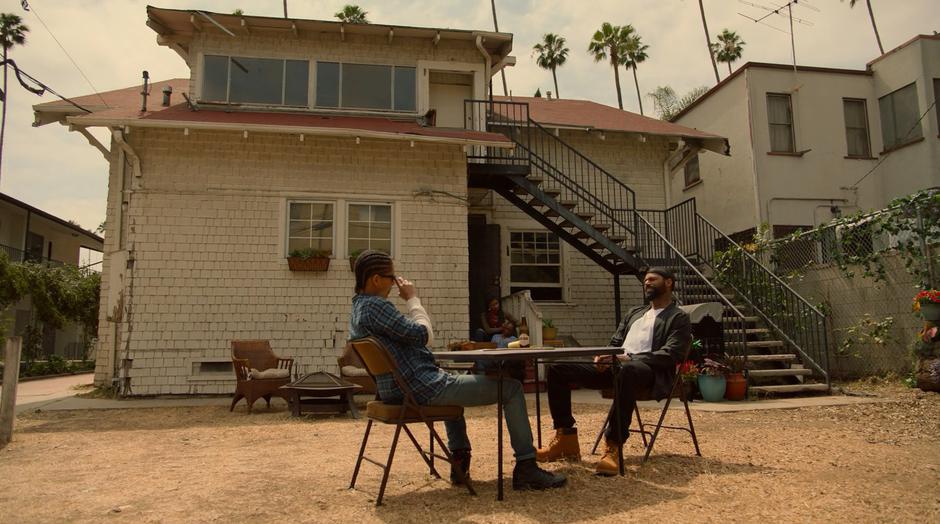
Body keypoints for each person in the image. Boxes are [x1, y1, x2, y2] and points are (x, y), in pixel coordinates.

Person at [348, 250, 566, 490]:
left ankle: (459, 461)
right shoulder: (376, 307)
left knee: (458, 378)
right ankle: (526, 467)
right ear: (376, 279)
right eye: (392, 277)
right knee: (512, 389)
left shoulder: (358, 309)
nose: (394, 283)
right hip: (420, 387)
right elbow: (424, 335)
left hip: (397, 389)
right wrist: (412, 299)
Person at [535, 267, 691, 475]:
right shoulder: (635, 313)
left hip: (648, 373)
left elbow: (671, 354)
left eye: (652, 279)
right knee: (558, 368)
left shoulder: (678, 317)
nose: (647, 283)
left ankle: (613, 445)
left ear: (669, 282)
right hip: (616, 368)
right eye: (645, 280)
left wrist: (629, 358)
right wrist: (603, 356)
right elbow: (615, 342)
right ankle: (566, 440)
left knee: (629, 370)